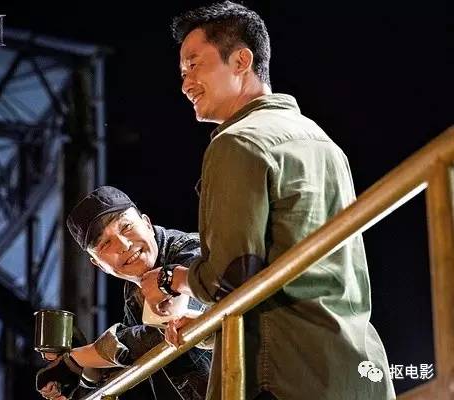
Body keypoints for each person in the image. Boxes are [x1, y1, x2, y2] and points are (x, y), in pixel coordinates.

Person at [140, 2, 396, 399]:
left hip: (282, 374)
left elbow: (230, 276)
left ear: (242, 60)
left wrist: (176, 279)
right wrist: (209, 329)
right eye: (182, 72)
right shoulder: (322, 141)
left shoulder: (238, 141)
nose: (186, 83)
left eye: (194, 65)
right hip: (356, 367)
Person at [37, 186, 211, 400]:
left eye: (126, 227)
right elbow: (126, 360)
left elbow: (162, 331)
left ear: (147, 223)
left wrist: (79, 358)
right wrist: (77, 374)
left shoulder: (193, 251)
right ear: (98, 264)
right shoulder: (133, 293)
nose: (124, 245)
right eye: (105, 244)